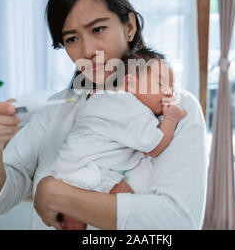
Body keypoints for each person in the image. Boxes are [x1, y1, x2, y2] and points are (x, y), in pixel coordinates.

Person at [0, 0, 208, 230]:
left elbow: (179, 223)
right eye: (71, 38)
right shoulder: (57, 109)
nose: (87, 50)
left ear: (129, 26)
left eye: (98, 29)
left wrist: (58, 195)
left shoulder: (178, 109)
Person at [50, 48, 188, 230]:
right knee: (132, 210)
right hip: (92, 172)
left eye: (171, 87)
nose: (169, 93)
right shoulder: (133, 109)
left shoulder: (103, 95)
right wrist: (171, 119)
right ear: (130, 84)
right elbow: (154, 147)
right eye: (161, 84)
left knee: (74, 220)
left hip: (67, 170)